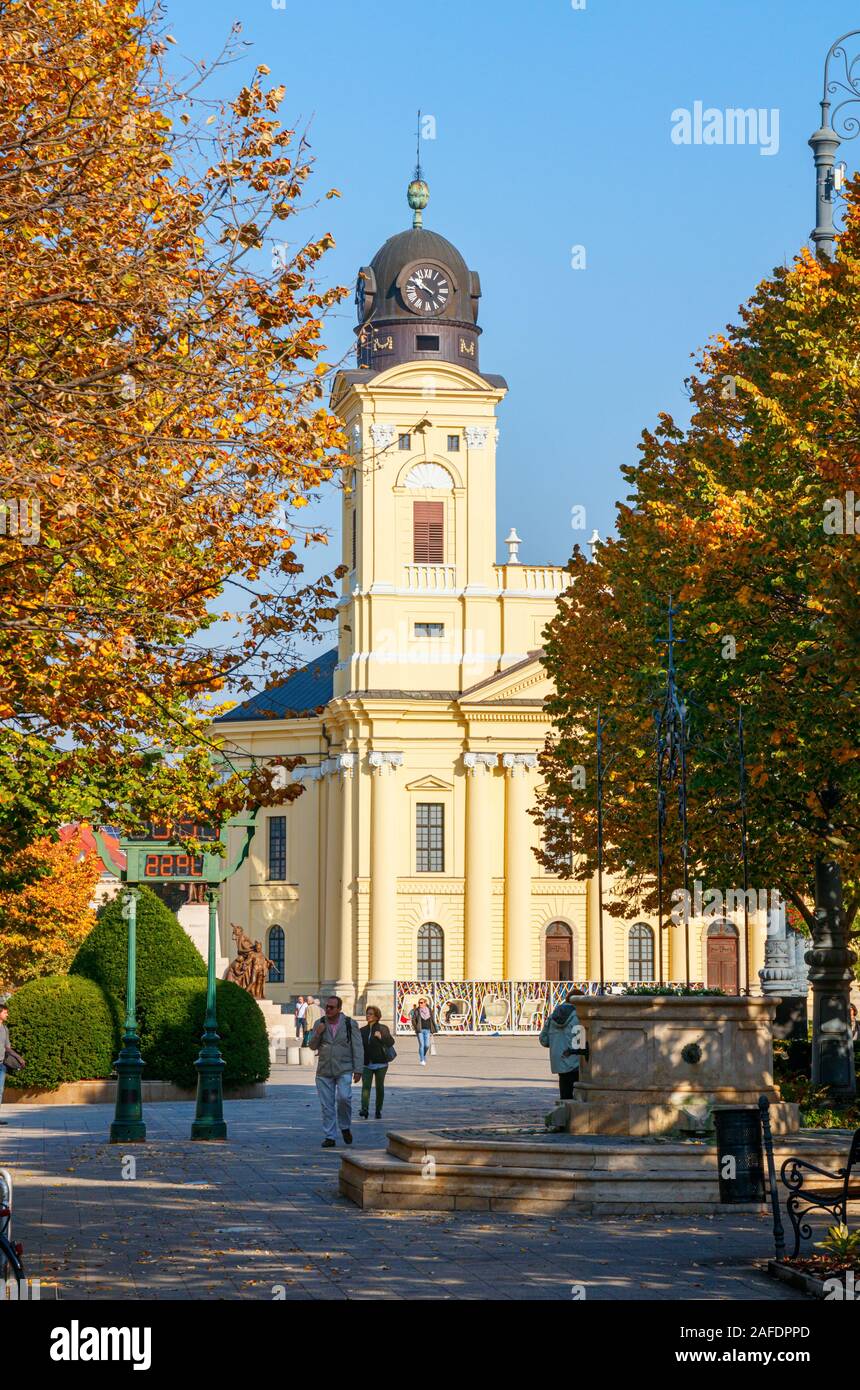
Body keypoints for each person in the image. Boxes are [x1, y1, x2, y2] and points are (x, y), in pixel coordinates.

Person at [307, 995, 364, 1148]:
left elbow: (358, 1047)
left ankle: (345, 1127)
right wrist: (318, 1033)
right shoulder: (319, 1023)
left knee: (344, 1098)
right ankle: (330, 1136)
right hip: (324, 1070)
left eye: (332, 1007)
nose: (328, 1009)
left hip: (344, 1068)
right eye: (327, 1007)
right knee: (327, 1106)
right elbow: (312, 1046)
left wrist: (358, 1069)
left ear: (339, 1009)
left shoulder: (349, 1023)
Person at [539, 998, 583, 1100]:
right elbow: (581, 1044)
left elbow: (543, 1040)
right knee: (579, 1097)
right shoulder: (579, 1018)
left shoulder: (552, 1017)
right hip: (575, 1062)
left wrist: (556, 1043)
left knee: (565, 1095)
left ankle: (565, 1114)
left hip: (559, 1061)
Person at [359, 1006, 395, 1119]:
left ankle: (378, 1110)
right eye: (367, 1013)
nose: (368, 1016)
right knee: (366, 1087)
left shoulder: (383, 1028)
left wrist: (381, 1037)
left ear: (377, 1016)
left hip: (381, 1063)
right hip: (366, 1064)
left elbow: (390, 1042)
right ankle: (364, 1109)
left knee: (379, 1087)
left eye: (370, 1014)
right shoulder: (362, 1030)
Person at [410, 997, 437, 1066]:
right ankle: (422, 1059)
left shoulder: (429, 1010)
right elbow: (413, 1019)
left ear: (425, 1003)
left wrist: (433, 1027)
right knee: (421, 1045)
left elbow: (432, 1019)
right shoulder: (416, 1010)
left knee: (427, 1045)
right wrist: (416, 1027)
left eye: (421, 1003)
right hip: (420, 1030)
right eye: (419, 1003)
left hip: (427, 1029)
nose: (420, 1004)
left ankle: (423, 1054)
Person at [0, 1001, 10, 1124]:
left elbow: (8, 1046)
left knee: (0, 1091)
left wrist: (18, 1058)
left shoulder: (5, 1028)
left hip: (1, 1064)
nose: (7, 1015)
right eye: (5, 1012)